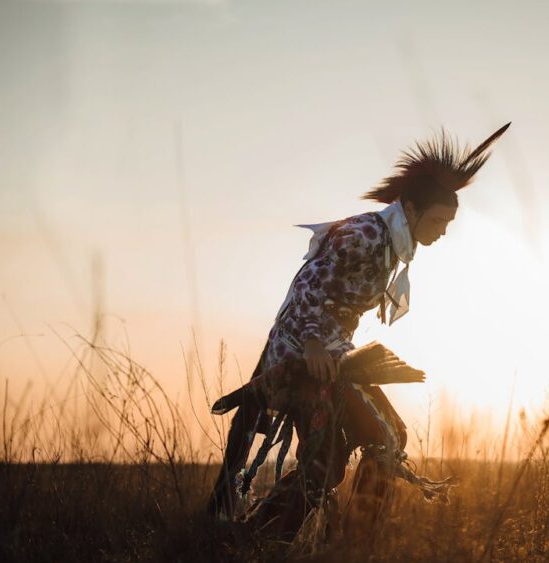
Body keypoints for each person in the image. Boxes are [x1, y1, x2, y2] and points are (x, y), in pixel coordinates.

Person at [207, 123, 510, 542]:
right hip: (303, 355)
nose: (443, 231)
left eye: (449, 223)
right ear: (412, 209)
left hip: (333, 356)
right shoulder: (367, 233)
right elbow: (309, 284)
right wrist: (313, 342)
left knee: (385, 437)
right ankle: (263, 539)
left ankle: (343, 541)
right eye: (440, 221)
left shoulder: (390, 243)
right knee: (336, 456)